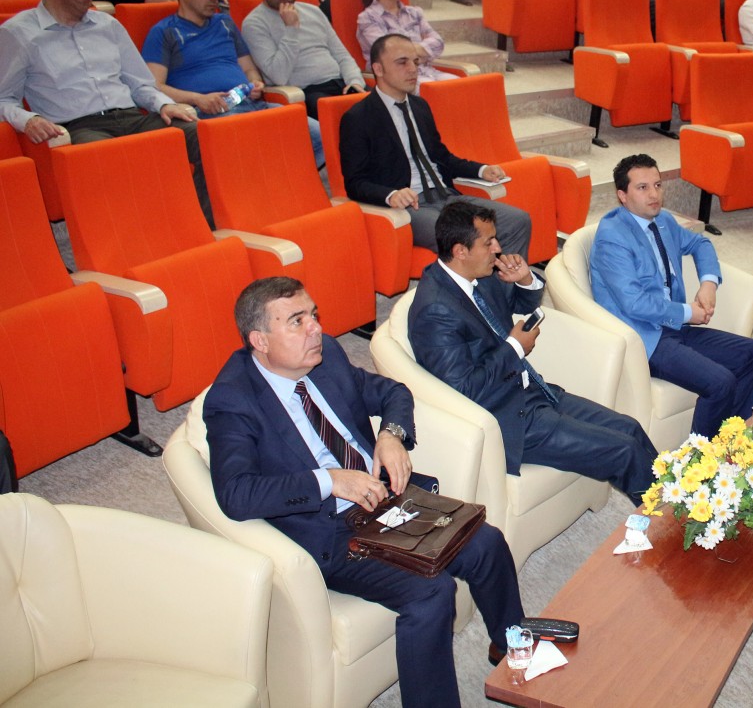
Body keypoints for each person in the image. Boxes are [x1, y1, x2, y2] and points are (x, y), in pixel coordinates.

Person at [204, 276, 524, 708]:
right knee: (431, 592)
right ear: (259, 340)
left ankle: (513, 646)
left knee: (486, 542)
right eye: (297, 321)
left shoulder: (326, 356)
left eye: (313, 314)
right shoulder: (232, 401)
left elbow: (392, 392)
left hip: (384, 500)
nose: (316, 328)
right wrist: (330, 480)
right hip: (330, 532)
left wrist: (390, 435)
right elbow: (236, 494)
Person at [407, 202, 658, 503]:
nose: (498, 248)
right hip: (509, 419)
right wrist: (514, 348)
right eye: (489, 242)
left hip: (533, 391)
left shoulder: (477, 275)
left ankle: (683, 500)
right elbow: (464, 389)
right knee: (624, 450)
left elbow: (521, 305)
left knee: (630, 427)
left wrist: (524, 280)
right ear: (460, 251)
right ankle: (670, 520)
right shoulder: (435, 311)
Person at [0, 0, 209, 225]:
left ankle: (201, 225)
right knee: (106, 160)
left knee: (204, 135)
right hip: (81, 127)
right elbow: (3, 99)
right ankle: (138, 237)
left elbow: (141, 84)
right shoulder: (18, 33)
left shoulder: (108, 25)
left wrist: (164, 104)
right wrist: (29, 120)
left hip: (133, 118)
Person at [590, 154, 753, 439]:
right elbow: (634, 303)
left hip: (674, 328)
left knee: (751, 352)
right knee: (720, 382)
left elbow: (700, 243)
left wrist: (708, 283)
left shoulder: (662, 220)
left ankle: (731, 443)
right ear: (622, 195)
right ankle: (700, 458)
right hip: (645, 338)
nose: (654, 194)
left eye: (657, 185)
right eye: (643, 187)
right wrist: (688, 312)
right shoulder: (612, 237)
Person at [338, 34, 531, 258]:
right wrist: (391, 195)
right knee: (465, 238)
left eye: (415, 62)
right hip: (410, 207)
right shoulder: (358, 118)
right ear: (378, 69)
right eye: (402, 62)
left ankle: (506, 280)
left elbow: (442, 157)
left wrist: (481, 170)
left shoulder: (420, 106)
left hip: (446, 196)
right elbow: (355, 182)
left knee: (518, 221)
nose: (413, 69)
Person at [142, 0, 326, 167]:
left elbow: (248, 68)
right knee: (254, 147)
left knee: (320, 137)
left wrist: (255, 83)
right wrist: (198, 99)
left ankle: (295, 181)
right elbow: (154, 86)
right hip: (211, 113)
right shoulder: (163, 32)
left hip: (254, 104)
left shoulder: (225, 23)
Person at [242, 0, 366, 119]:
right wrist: (291, 29)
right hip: (307, 93)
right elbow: (278, 76)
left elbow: (342, 56)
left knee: (386, 107)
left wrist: (355, 82)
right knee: (355, 119)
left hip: (342, 85)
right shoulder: (254, 23)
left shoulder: (313, 11)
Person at [357, 0, 456, 83]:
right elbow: (389, 53)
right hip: (395, 79)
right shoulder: (368, 18)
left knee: (461, 86)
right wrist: (422, 52)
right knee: (433, 89)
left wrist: (409, 53)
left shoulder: (414, 13)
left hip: (428, 72)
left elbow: (438, 43)